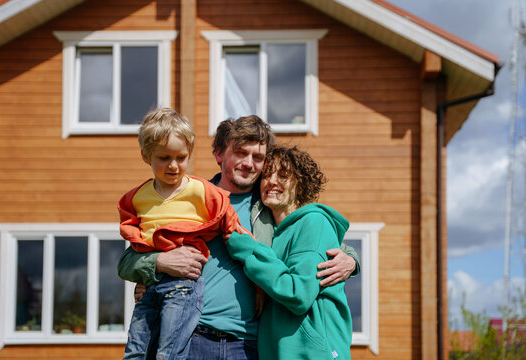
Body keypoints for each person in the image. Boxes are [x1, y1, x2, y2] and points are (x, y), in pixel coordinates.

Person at [118, 115, 359, 359]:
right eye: (240, 153)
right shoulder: (192, 198)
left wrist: (351, 259)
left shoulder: (270, 202)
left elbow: (314, 237)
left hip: (250, 344)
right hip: (193, 338)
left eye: (257, 157)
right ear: (219, 154)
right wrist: (159, 263)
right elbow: (128, 260)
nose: (248, 163)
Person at [118, 108, 251, 359]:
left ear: (189, 154)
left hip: (184, 287)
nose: (173, 165)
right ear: (146, 156)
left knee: (168, 353)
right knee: (135, 352)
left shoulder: (200, 191)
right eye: (164, 157)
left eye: (181, 157)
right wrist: (155, 261)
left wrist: (238, 233)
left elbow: (225, 213)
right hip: (152, 286)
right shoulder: (138, 197)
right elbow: (129, 250)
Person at [225, 145, 352, 359]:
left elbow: (298, 294)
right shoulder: (272, 232)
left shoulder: (313, 222)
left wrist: (247, 250)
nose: (272, 181)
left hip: (311, 353)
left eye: (283, 176)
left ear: (300, 184)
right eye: (266, 175)